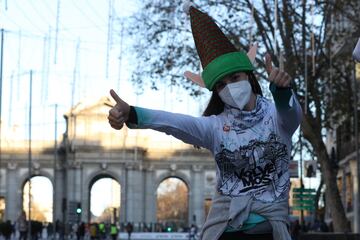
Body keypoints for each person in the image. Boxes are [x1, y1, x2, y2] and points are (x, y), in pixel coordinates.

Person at [108, 3, 302, 240]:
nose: (230, 87)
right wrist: (132, 113)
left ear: (249, 76)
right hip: (225, 231)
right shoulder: (215, 127)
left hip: (270, 232)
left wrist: (282, 91)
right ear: (215, 92)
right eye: (221, 84)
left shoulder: (276, 117)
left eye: (235, 77)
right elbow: (172, 122)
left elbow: (291, 114)